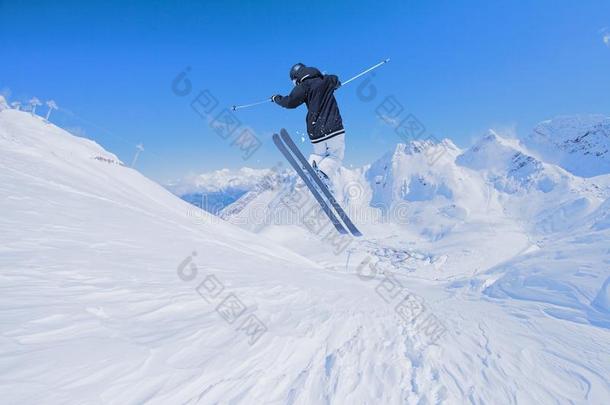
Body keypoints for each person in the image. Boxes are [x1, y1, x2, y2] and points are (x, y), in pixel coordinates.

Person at [271, 63, 345, 190]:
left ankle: (311, 166)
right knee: (336, 155)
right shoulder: (326, 79)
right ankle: (323, 173)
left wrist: (276, 98)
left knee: (320, 154)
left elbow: (289, 102)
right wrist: (334, 85)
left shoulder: (303, 87)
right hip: (334, 127)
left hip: (315, 130)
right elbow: (336, 80)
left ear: (296, 77)